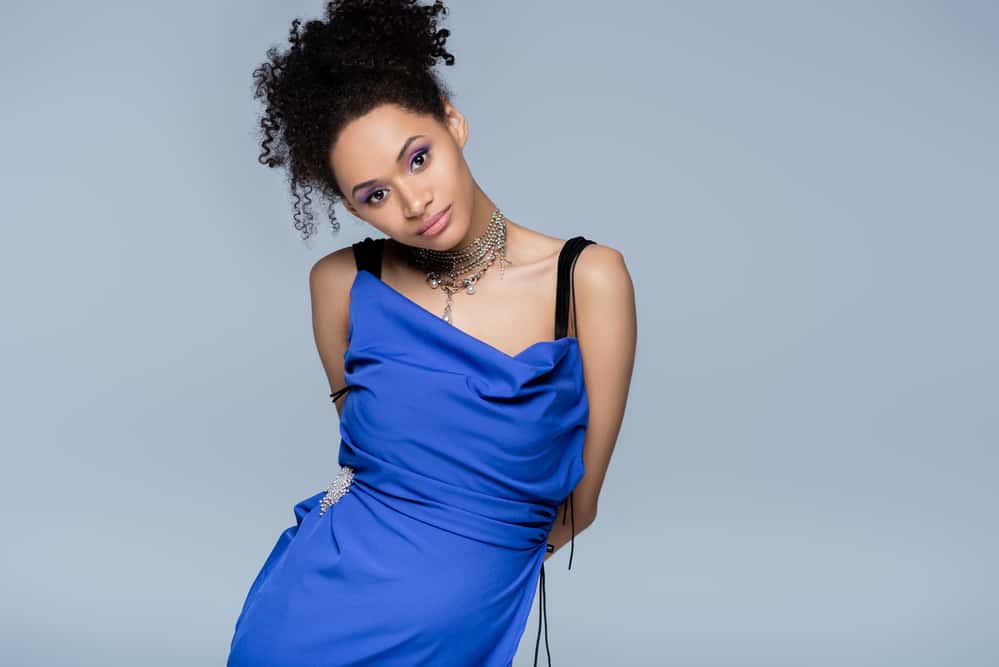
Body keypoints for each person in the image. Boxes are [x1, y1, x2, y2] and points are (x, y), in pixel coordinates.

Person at [226, 1, 637, 665]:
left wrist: (459, 581)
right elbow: (368, 465)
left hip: (458, 633)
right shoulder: (341, 283)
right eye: (373, 194)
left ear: (452, 120)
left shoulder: (586, 280)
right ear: (350, 205)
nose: (412, 202)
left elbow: (577, 507)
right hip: (305, 618)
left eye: (417, 158)